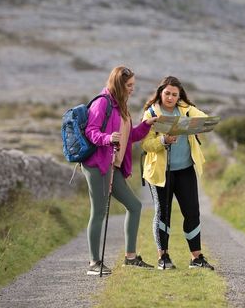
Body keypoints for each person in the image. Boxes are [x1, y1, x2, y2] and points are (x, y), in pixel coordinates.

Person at [82, 66, 157, 275]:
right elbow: (90, 131)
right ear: (118, 84)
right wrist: (108, 138)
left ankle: (130, 258)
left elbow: (129, 136)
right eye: (129, 85)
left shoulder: (121, 106)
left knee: (134, 206)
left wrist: (146, 124)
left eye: (133, 85)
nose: (133, 89)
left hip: (112, 167)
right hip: (97, 165)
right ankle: (94, 263)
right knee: (99, 212)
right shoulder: (102, 103)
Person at [141, 76, 214, 270]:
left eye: (174, 94)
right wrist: (163, 141)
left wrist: (190, 124)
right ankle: (163, 257)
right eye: (167, 93)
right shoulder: (150, 113)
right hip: (160, 173)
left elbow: (206, 122)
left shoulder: (187, 109)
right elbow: (146, 144)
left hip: (185, 170)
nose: (170, 98)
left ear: (179, 95)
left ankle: (196, 258)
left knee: (192, 212)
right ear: (160, 92)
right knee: (163, 213)